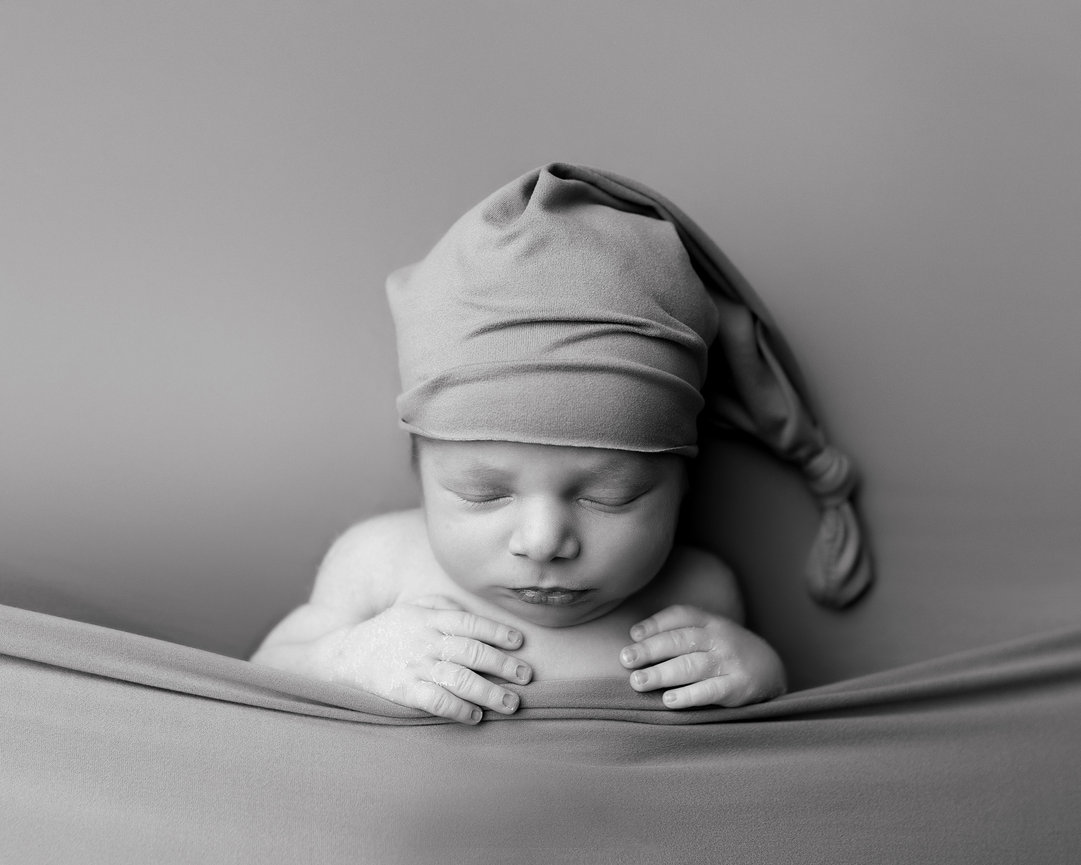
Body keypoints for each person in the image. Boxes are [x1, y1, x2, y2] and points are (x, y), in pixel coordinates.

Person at [252, 164, 869, 724]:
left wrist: (759, 673)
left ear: (684, 485)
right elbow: (258, 677)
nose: (544, 541)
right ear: (419, 471)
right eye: (484, 493)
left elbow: (752, 748)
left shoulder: (698, 590)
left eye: (609, 496)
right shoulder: (380, 562)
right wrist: (347, 657)